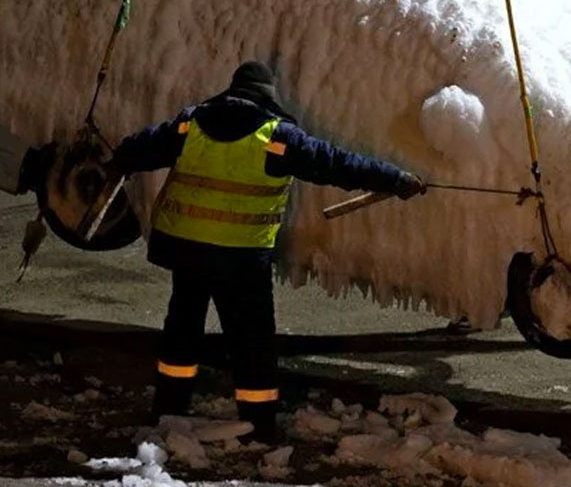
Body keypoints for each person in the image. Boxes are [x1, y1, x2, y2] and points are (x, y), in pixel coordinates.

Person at [110, 61, 425, 442]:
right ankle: (258, 422)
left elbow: (136, 149)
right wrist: (394, 178)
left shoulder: (189, 125)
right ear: (266, 98)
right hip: (242, 259)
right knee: (252, 341)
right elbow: (339, 164)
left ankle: (168, 408)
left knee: (182, 330)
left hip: (189, 252)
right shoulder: (278, 137)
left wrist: (114, 162)